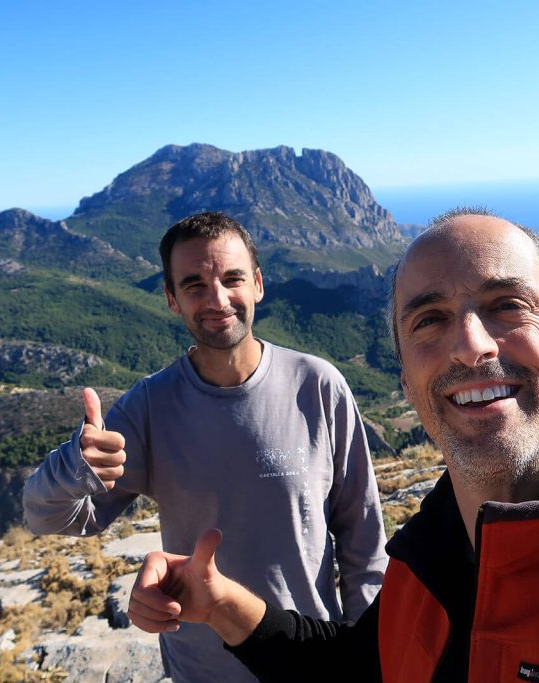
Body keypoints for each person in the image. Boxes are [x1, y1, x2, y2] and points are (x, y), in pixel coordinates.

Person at [126, 208, 539, 682]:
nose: (471, 344)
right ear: (405, 373)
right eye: (430, 319)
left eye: (507, 305)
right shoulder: (433, 558)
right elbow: (353, 671)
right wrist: (217, 603)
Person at [23, 211, 388, 683]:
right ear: (172, 299)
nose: (217, 299)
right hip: (205, 671)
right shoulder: (150, 406)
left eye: (232, 278)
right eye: (194, 285)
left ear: (258, 284)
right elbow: (42, 516)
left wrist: (372, 654)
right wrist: (74, 466)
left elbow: (363, 538)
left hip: (312, 660)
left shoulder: (318, 386)